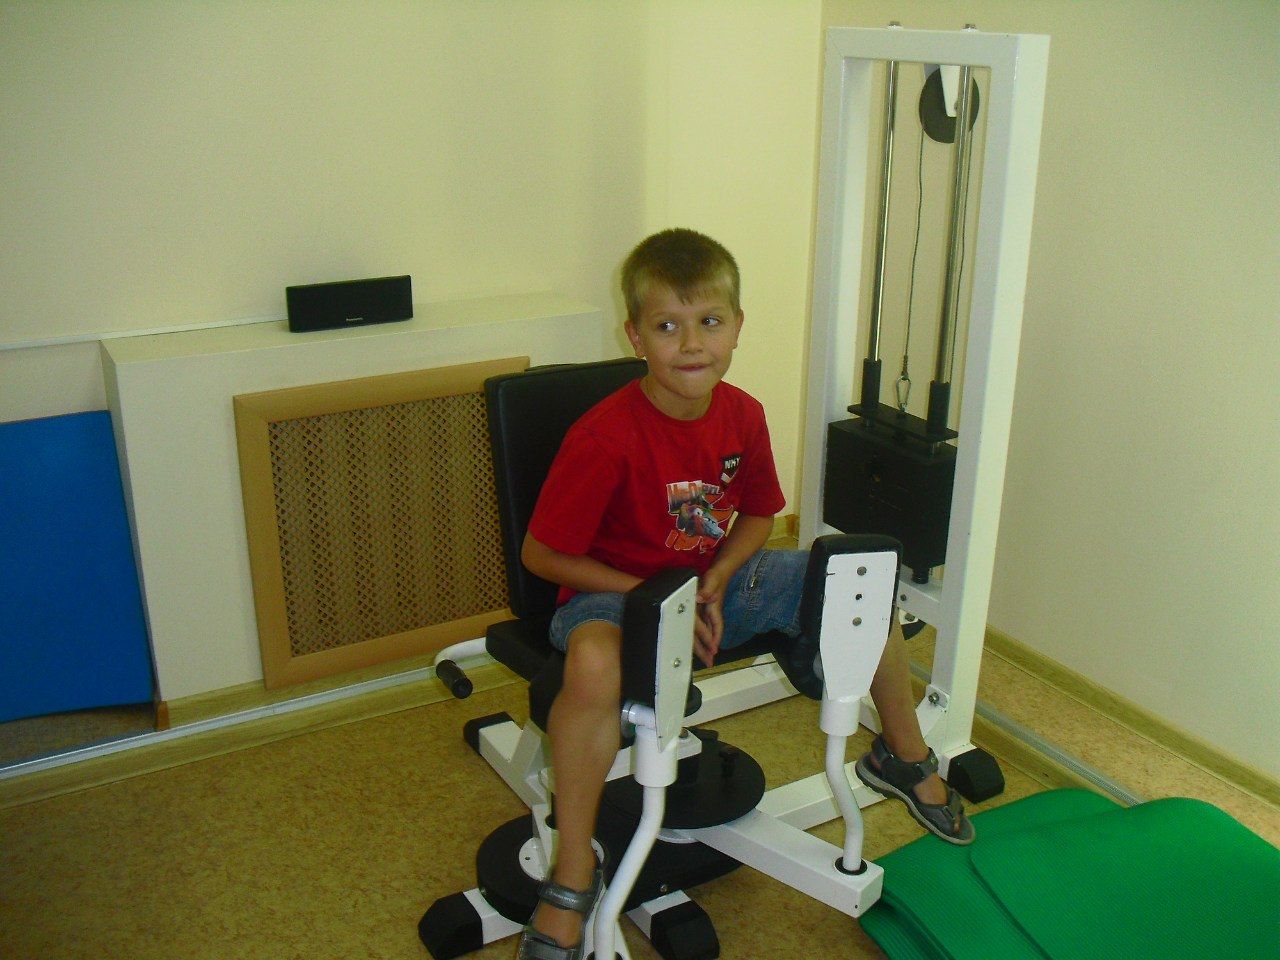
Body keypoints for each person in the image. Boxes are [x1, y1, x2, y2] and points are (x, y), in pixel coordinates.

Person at [516, 228, 972, 960]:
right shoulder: (605, 437)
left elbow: (758, 514)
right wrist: (658, 598)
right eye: (668, 326)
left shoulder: (743, 414)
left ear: (736, 328)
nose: (692, 344)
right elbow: (542, 555)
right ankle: (573, 869)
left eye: (709, 322)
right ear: (635, 336)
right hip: (618, 594)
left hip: (711, 581)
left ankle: (901, 753)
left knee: (859, 583)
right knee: (595, 664)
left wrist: (722, 574)